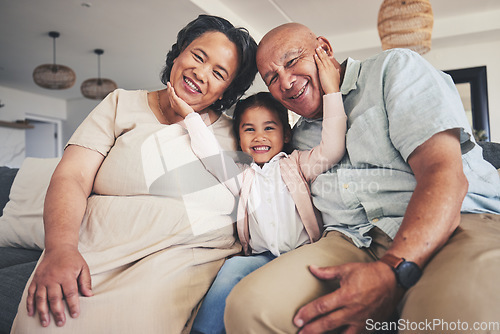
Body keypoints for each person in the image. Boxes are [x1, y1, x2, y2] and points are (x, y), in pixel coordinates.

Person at [224, 22, 500, 334]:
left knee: (453, 316)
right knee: (250, 307)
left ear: (324, 50)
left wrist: (393, 271)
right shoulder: (296, 139)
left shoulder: (392, 69)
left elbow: (443, 173)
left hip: (456, 219)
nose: (285, 82)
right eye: (272, 78)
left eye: (292, 61)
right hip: (350, 240)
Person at [11, 14, 257, 333]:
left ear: (227, 91)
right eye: (198, 56)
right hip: (92, 253)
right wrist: (60, 249)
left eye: (219, 72)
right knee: (44, 320)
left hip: (172, 269)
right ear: (179, 52)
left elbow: (265, 195)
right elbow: (71, 176)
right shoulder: (120, 104)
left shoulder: (238, 134)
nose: (201, 72)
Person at [168, 44, 347, 334]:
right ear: (239, 138)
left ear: (286, 133)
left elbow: (333, 148)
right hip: (260, 257)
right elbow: (211, 157)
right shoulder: (242, 176)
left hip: (301, 253)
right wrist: (190, 116)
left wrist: (332, 92)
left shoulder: (297, 164)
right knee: (230, 271)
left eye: (269, 128)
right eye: (249, 129)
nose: (259, 136)